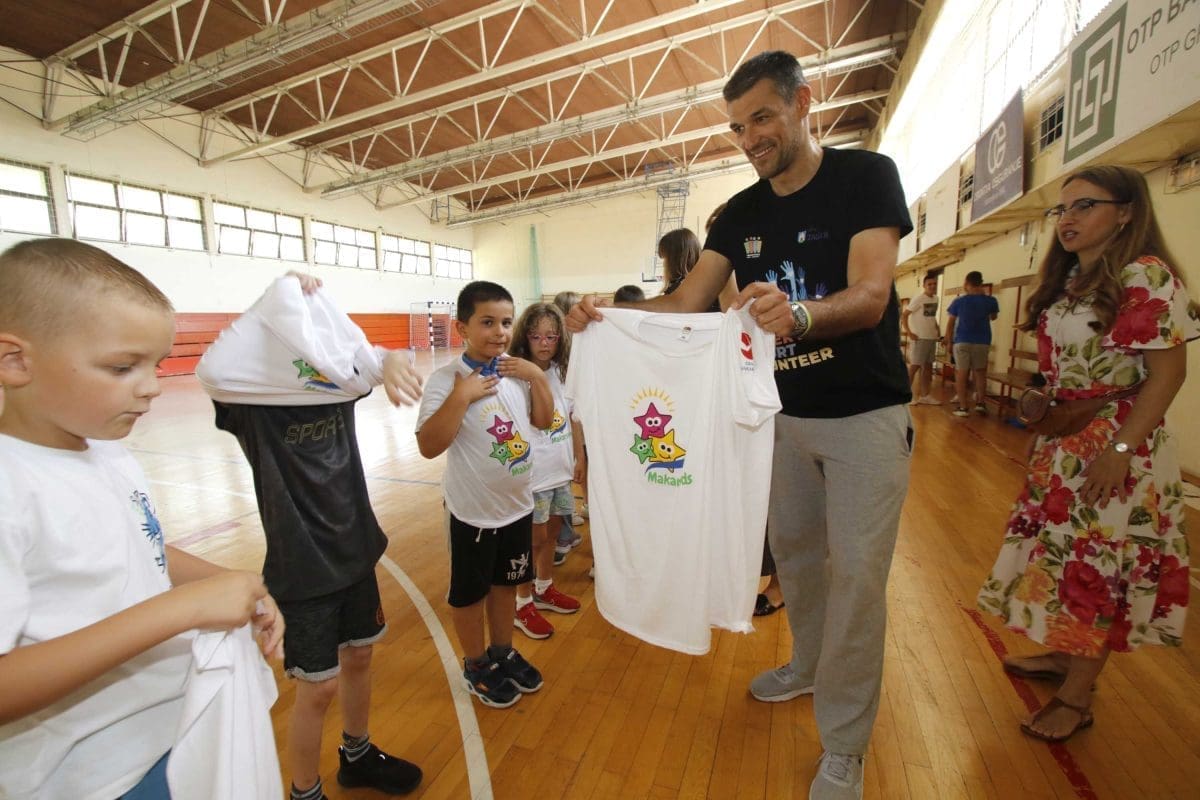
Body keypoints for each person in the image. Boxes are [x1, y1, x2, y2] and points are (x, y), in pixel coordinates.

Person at [568, 50, 912, 800]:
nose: (750, 137)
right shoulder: (740, 212)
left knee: (856, 576)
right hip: (778, 423)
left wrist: (802, 315)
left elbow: (872, 294)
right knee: (795, 559)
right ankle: (808, 666)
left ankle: (845, 742)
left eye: (762, 117)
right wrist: (604, 313)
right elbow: (686, 303)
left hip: (864, 414)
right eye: (737, 126)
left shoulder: (866, 178)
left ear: (803, 103)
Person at [0, 238, 284, 799]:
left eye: (156, 365)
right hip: (87, 777)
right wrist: (179, 610)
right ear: (15, 361)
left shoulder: (105, 451)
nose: (152, 386)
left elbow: (139, 544)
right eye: (122, 367)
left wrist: (232, 585)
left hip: (167, 735)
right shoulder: (11, 485)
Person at [978, 165, 1198, 743]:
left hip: (1118, 447)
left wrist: (1120, 449)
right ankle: (1063, 656)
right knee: (1065, 558)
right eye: (1062, 209)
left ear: (1126, 212)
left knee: (1100, 567)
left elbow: (1168, 373)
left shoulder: (1144, 275)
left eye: (1084, 207)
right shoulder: (1074, 276)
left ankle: (1077, 697)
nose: (1067, 220)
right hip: (1067, 443)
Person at [197, 272, 424, 800]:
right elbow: (215, 367)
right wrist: (277, 290)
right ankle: (304, 790)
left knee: (361, 657)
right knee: (317, 687)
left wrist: (389, 358)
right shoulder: (252, 407)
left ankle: (358, 754)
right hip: (303, 567)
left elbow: (366, 359)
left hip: (356, 552)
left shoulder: (335, 386)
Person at [416, 281, 553, 708]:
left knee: (506, 584)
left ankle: (501, 651)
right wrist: (462, 395)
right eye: (487, 322)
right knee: (470, 592)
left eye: (506, 322)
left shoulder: (515, 371)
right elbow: (428, 445)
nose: (499, 331)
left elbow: (544, 421)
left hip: (515, 507)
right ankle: (475, 662)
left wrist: (536, 377)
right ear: (462, 328)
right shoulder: (447, 380)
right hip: (473, 513)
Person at [507, 303, 586, 638]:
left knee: (552, 535)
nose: (543, 342)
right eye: (537, 335)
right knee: (533, 539)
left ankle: (543, 586)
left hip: (559, 471)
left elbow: (573, 416)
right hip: (533, 475)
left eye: (551, 336)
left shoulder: (561, 371)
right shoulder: (516, 375)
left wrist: (579, 456)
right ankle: (521, 602)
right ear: (525, 336)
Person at [944, 270, 999, 416]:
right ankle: (980, 403)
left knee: (961, 374)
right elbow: (993, 317)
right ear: (981, 283)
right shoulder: (991, 301)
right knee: (980, 373)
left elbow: (951, 323)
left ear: (967, 284)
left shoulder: (959, 301)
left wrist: (948, 340)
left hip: (962, 340)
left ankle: (963, 407)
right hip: (982, 341)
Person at [902, 272, 942, 405]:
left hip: (931, 338)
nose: (932, 286)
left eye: (934, 284)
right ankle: (905, 395)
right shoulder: (919, 298)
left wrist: (938, 330)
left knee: (928, 367)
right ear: (924, 285)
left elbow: (931, 317)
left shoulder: (936, 298)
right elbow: (905, 315)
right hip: (920, 338)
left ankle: (925, 395)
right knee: (914, 366)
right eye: (929, 284)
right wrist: (909, 332)